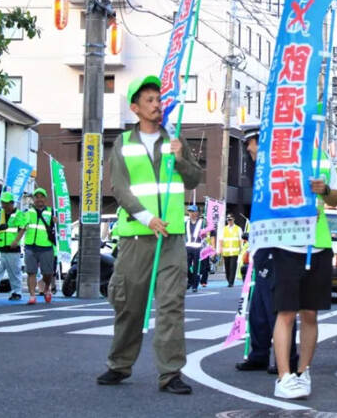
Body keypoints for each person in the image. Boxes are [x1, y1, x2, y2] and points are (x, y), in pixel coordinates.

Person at [96, 75, 202, 395]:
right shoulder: (122, 144)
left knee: (171, 304)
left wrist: (181, 157)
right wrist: (146, 218)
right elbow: (120, 187)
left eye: (159, 99)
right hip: (135, 236)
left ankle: (170, 373)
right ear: (135, 108)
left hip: (171, 238)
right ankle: (119, 364)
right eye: (150, 101)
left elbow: (195, 180)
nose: (157, 105)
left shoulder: (175, 140)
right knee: (130, 305)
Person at [272, 147, 337, 400]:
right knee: (286, 311)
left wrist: (324, 190)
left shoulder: (321, 156)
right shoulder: (280, 151)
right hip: (287, 242)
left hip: (318, 242)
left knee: (310, 312)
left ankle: (303, 372)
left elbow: (334, 199)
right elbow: (267, 197)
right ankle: (284, 376)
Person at [235, 125, 297, 375]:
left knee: (275, 302)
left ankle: (286, 358)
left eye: (254, 142)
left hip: (277, 241)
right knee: (259, 302)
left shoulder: (278, 172)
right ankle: (259, 353)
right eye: (248, 143)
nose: (249, 147)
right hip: (261, 242)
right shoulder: (257, 173)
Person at [23, 187, 57, 304]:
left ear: (45, 199)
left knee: (47, 273)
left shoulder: (52, 212)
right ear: (33, 199)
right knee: (31, 272)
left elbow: (58, 228)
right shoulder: (28, 212)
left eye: (41, 197)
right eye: (37, 197)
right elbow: (22, 225)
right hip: (30, 246)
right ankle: (32, 295)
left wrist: (56, 222)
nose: (39, 199)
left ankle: (47, 288)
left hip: (46, 246)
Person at [0, 192, 25, 301]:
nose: (4, 206)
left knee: (14, 272)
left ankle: (17, 292)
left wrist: (16, 241)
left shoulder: (19, 214)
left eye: (6, 203)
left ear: (12, 203)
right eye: (3, 203)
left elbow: (22, 229)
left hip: (12, 249)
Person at [184, 204, 204, 293]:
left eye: (193, 211)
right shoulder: (186, 222)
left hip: (198, 247)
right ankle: (190, 280)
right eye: (189, 211)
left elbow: (209, 233)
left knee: (196, 267)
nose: (191, 213)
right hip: (188, 246)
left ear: (197, 213)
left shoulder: (202, 223)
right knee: (186, 266)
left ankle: (195, 285)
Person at [218, 214, 242, 287]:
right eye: (228, 219)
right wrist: (220, 249)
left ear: (233, 219)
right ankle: (229, 280)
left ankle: (231, 282)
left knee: (232, 267)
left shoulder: (238, 229)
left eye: (230, 219)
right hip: (226, 252)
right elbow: (221, 240)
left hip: (235, 252)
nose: (229, 221)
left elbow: (241, 240)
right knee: (227, 268)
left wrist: (241, 248)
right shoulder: (224, 229)